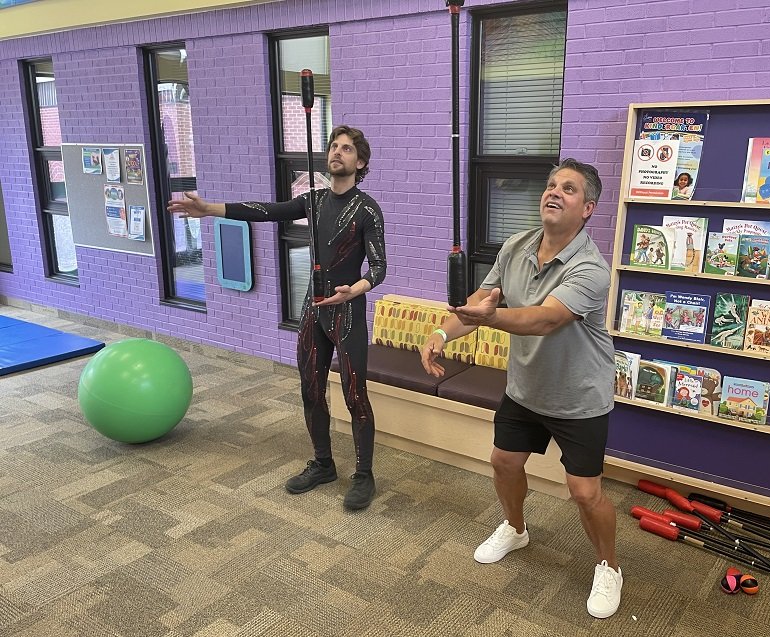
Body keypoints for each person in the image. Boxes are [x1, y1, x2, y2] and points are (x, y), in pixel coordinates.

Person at [420, 158, 622, 619]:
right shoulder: (516, 246)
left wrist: (492, 318)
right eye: (551, 185)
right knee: (503, 461)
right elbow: (479, 303)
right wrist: (441, 334)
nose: (554, 192)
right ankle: (515, 528)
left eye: (568, 189)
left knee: (585, 492)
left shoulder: (592, 268)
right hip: (526, 388)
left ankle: (609, 567)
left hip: (579, 396)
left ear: (588, 208)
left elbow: (544, 320)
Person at [167, 125, 386, 511]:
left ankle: (364, 475)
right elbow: (266, 211)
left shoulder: (367, 208)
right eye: (334, 147)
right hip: (313, 310)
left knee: (355, 395)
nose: (337, 153)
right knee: (309, 389)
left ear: (360, 161)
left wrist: (357, 287)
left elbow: (380, 267)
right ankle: (322, 464)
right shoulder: (314, 200)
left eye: (347, 149)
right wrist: (210, 209)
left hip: (347, 311)